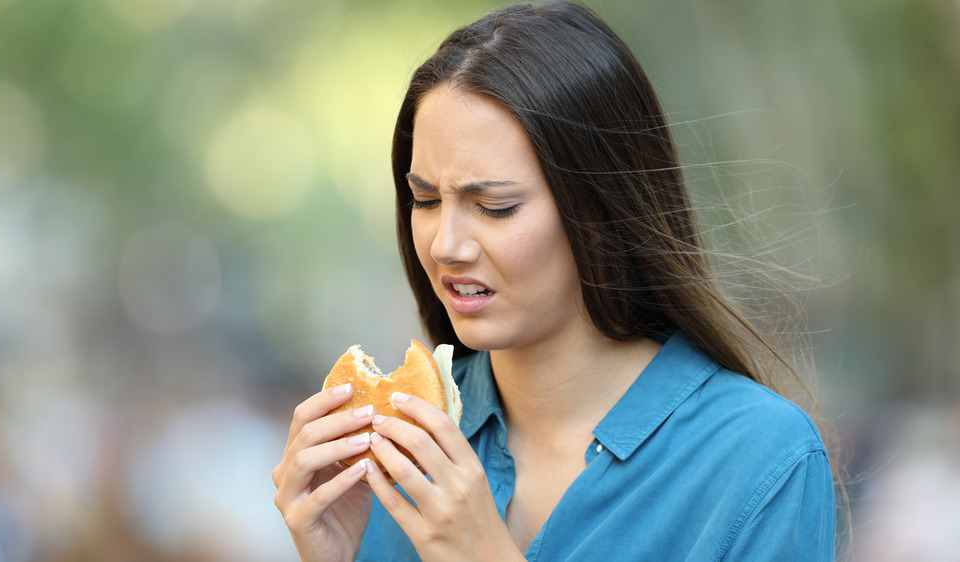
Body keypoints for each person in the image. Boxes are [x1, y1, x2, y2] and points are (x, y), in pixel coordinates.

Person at [272, 2, 838, 560]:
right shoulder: (393, 448)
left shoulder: (761, 460)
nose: (445, 245)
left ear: (599, 211)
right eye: (425, 199)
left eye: (494, 206)